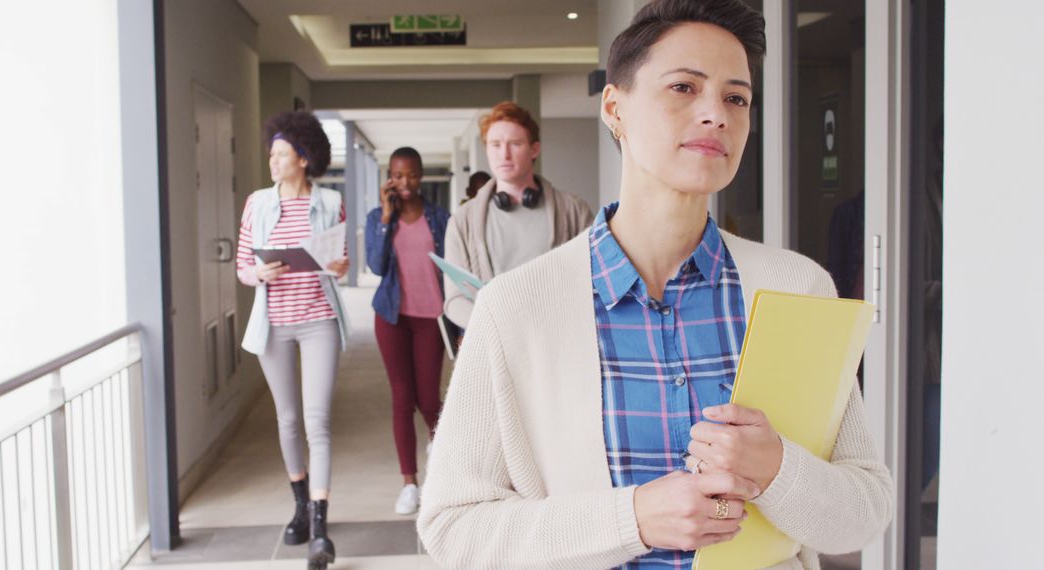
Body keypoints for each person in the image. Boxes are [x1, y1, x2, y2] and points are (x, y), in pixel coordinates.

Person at [417, 1, 893, 568]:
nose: (716, 114)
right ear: (615, 108)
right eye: (684, 87)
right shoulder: (515, 308)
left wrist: (777, 468)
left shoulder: (797, 286)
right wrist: (634, 518)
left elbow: (864, 512)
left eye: (736, 98)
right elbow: (452, 528)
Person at [236, 110, 349, 570]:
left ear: (304, 158)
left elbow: (338, 260)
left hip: (319, 318)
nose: (273, 162)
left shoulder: (329, 201)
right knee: (287, 420)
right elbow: (243, 266)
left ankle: (320, 528)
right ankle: (300, 505)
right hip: (273, 324)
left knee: (317, 420)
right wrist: (257, 272)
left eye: (281, 154)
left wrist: (339, 266)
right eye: (271, 155)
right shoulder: (257, 203)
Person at [442, 101, 594, 328]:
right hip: (494, 341)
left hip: (556, 336)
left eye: (515, 144)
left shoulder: (573, 210)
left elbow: (593, 281)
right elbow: (454, 299)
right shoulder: (463, 220)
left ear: (534, 149)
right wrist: (495, 330)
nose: (504, 154)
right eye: (495, 145)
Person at [365, 147, 451, 516]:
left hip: (430, 318)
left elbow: (452, 268)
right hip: (392, 318)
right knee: (402, 399)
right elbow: (375, 265)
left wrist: (460, 322)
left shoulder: (439, 217)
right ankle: (409, 484)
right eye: (398, 176)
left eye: (412, 175)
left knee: (430, 400)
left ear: (421, 176)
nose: (405, 183)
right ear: (389, 176)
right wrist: (386, 218)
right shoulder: (377, 217)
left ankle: (445, 464)